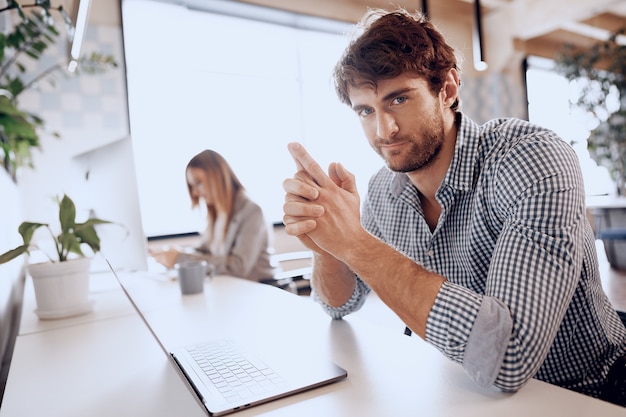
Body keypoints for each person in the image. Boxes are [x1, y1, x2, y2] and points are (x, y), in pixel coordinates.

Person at [281, 8, 626, 405]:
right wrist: (328, 244)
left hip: (590, 394)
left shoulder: (531, 159)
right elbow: (338, 304)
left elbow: (509, 355)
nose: (383, 130)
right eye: (366, 110)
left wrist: (357, 244)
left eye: (398, 99)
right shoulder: (382, 190)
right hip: (460, 391)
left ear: (446, 89)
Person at [151, 149, 276, 281]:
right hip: (233, 288)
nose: (195, 193)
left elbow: (238, 267)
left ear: (217, 177)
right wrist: (175, 253)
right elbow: (204, 251)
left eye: (198, 183)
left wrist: (179, 258)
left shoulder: (251, 211)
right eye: (192, 186)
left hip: (260, 289)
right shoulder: (218, 213)